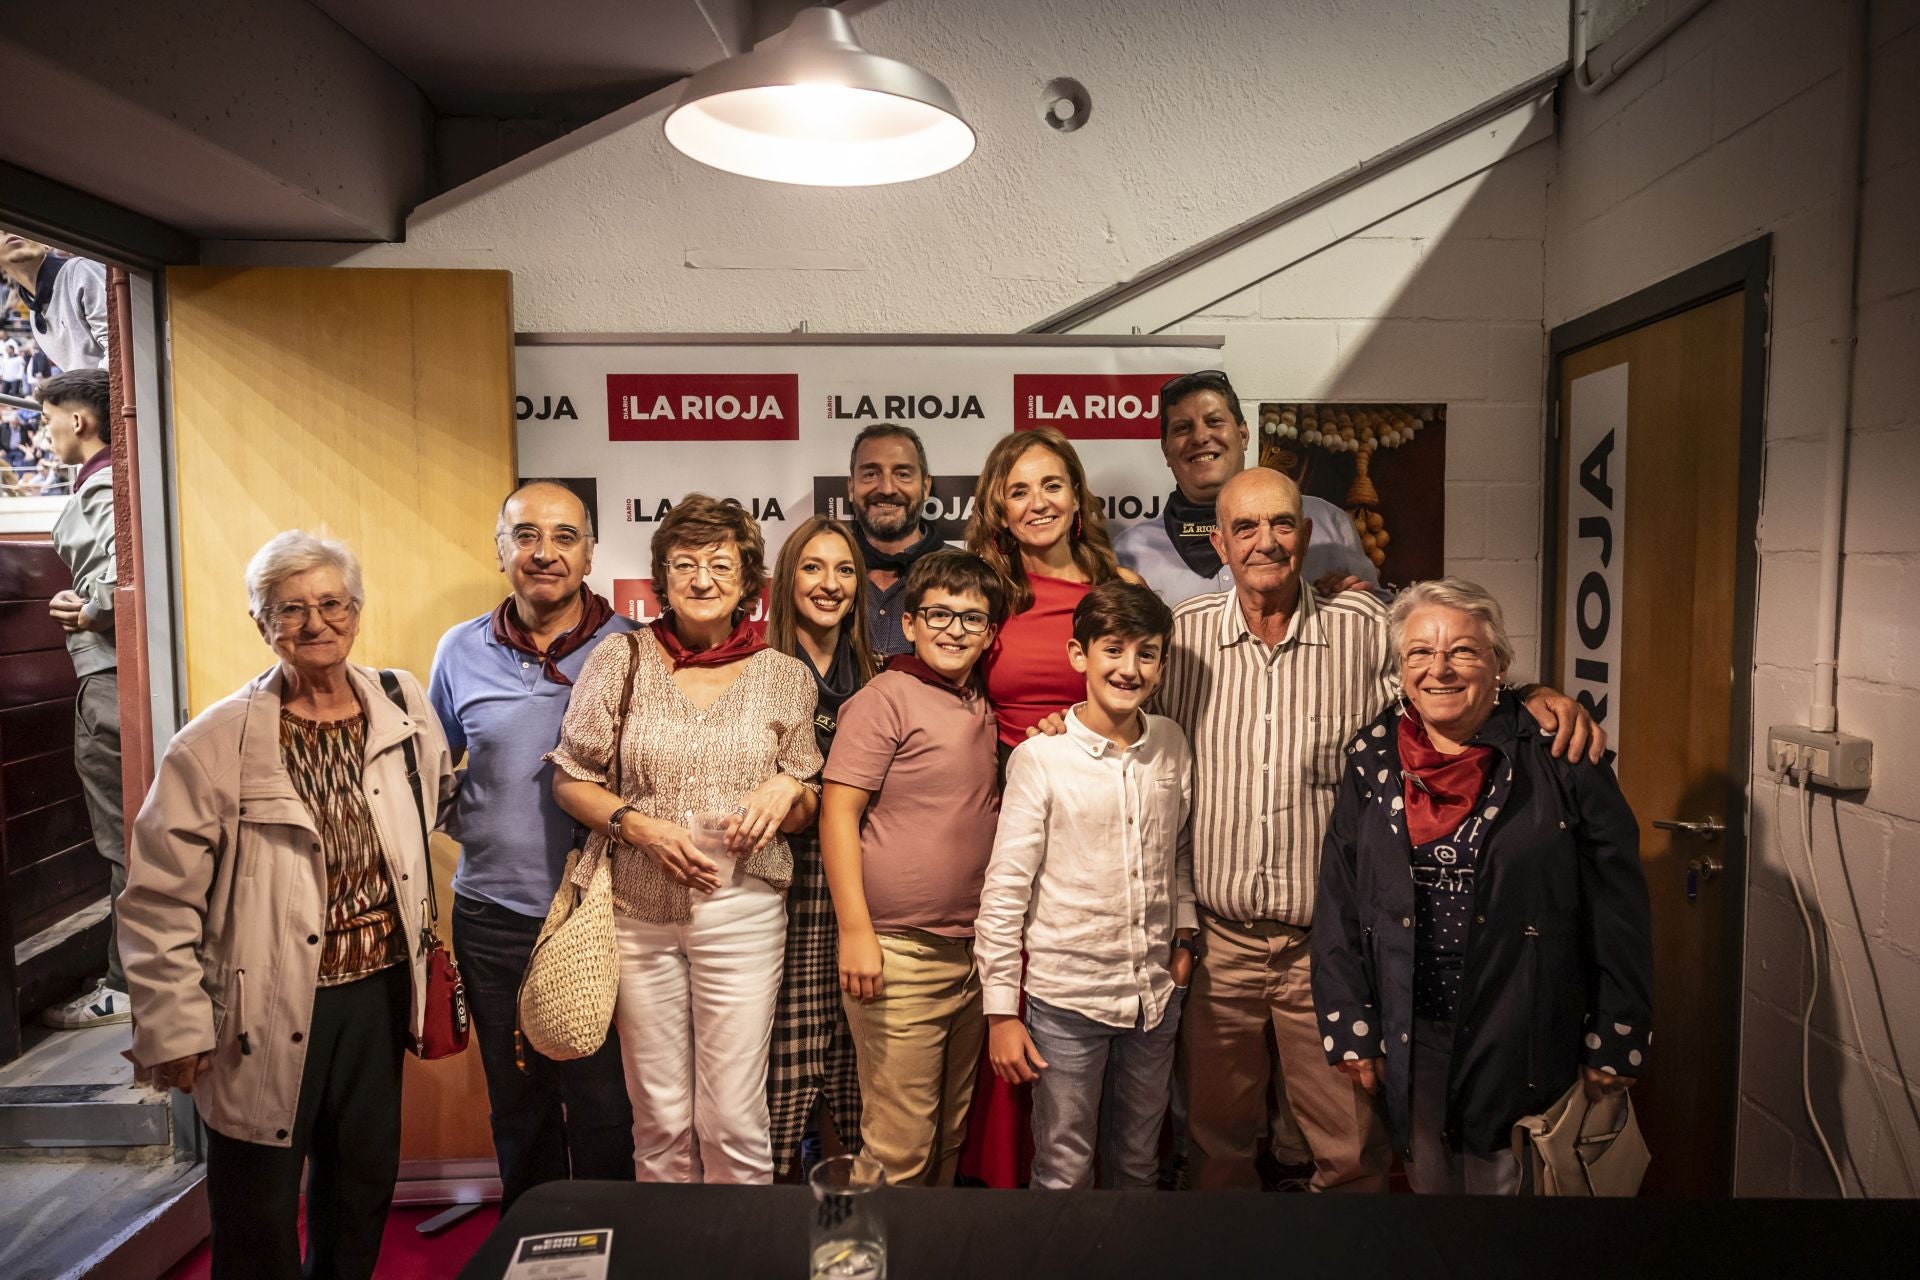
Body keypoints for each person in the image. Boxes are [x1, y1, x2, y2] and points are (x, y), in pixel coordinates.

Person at [1155, 467, 1603, 1192]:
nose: (1266, 541)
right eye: (1246, 527)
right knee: (1216, 1147)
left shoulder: (1363, 630)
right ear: (1221, 544)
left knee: (1351, 1155)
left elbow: (1447, 685)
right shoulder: (1184, 637)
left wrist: (1531, 693)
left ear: (1306, 536)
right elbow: (1133, 737)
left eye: (1281, 524)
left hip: (1327, 951)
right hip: (1218, 948)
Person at [118, 531, 457, 1279]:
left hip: (377, 994)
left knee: (362, 1182)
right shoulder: (213, 743)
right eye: (290, 609)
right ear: (260, 622)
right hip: (260, 1004)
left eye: (332, 603)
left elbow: (434, 803)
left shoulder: (402, 705)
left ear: (356, 611)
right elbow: (158, 900)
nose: (315, 623)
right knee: (258, 1201)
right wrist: (174, 1024)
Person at [1314, 578, 1652, 1193]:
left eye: (1463, 651)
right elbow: (1339, 899)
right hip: (1412, 1029)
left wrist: (1617, 1033)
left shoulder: (1560, 754)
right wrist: (1351, 1022)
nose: (1439, 668)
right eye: (1420, 652)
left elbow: (1618, 907)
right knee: (1434, 1196)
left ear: (1498, 664)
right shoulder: (1373, 757)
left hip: (1525, 1032)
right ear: (1400, 670)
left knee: (1511, 1201)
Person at [549, 494, 821, 1184]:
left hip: (742, 913)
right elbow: (570, 781)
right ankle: (667, 1240)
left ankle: (740, 1243)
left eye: (721, 565)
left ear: (748, 580)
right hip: (637, 913)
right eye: (685, 564)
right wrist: (638, 828)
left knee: (733, 1118)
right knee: (660, 1118)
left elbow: (806, 803)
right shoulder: (620, 659)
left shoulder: (785, 676)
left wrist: (787, 790)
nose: (702, 579)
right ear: (662, 578)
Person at [428, 480, 635, 1209]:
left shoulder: (634, 649)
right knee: (519, 1107)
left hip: (600, 916)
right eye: (525, 536)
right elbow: (431, 770)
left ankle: (613, 1242)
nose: (544, 552)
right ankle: (534, 1241)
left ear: (590, 555)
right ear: (500, 551)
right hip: (491, 916)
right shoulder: (459, 650)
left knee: (605, 1108)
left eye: (564, 537)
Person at [961, 426, 1139, 1186]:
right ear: (999, 508)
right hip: (1005, 815)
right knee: (1017, 987)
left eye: (1052, 485)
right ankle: (1017, 1186)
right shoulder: (986, 593)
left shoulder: (1118, 588)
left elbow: (1143, 694)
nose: (1038, 503)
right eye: (1019, 490)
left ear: (1077, 497)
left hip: (1099, 826)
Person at [975, 580, 1195, 1190]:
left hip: (1153, 998)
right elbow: (1006, 890)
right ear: (1080, 655)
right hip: (1067, 1002)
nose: (1129, 668)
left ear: (1162, 665)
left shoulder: (1172, 743)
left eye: (1146, 654)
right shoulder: (1041, 759)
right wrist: (1001, 1012)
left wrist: (1184, 941)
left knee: (1138, 1164)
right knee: (1064, 1167)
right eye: (1113, 650)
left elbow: (1178, 849)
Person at [821, 549, 1007, 1187]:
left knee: (949, 1134)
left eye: (972, 619)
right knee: (898, 1145)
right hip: (898, 953)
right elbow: (838, 814)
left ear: (990, 634)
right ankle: (866, 1243)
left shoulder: (978, 703)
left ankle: (930, 1241)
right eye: (939, 614)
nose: (954, 630)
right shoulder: (886, 698)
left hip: (971, 953)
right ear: (908, 623)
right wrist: (856, 931)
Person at [764, 514, 876, 1179]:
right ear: (787, 579)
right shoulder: (752, 665)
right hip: (777, 885)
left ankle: (844, 1204)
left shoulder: (881, 672)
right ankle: (773, 1206)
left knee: (851, 1059)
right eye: (812, 567)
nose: (829, 584)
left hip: (860, 885)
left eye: (844, 570)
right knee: (783, 1059)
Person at [1116, 370, 1374, 606]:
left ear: (1243, 435)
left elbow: (1380, 617)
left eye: (1214, 421)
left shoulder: (1327, 522)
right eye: (1183, 428)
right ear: (1166, 450)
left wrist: (1355, 600)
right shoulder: (1132, 552)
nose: (1200, 437)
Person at [36, 370, 128, 1028]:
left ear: (77, 420)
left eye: (48, 421)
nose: (45, 435)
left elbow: (121, 576)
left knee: (124, 840)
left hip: (110, 676)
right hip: (121, 673)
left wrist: (88, 608)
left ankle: (127, 986)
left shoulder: (100, 484)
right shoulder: (112, 479)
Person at [845, 423, 947, 658]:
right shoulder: (824, 576)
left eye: (902, 474)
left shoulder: (963, 573)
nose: (887, 489)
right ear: (851, 487)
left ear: (925, 487)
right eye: (871, 474)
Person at [0, 234, 109, 372]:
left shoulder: (81, 271)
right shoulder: (34, 315)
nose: (9, 231)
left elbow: (117, 353)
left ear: (47, 244)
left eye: (23, 227)